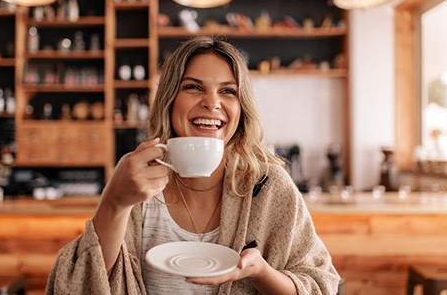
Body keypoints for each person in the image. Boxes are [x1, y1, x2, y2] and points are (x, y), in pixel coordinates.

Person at [46, 36, 340, 294]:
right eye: (193, 87)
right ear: (170, 99)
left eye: (228, 91)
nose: (212, 103)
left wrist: (261, 272)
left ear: (242, 109)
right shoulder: (138, 186)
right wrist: (114, 203)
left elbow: (320, 284)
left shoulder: (267, 185)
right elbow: (79, 286)